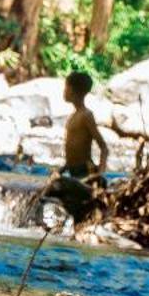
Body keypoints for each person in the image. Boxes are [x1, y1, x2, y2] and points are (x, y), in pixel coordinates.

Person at [49, 70, 109, 221]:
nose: (64, 91)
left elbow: (103, 147)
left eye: (66, 87)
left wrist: (100, 173)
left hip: (85, 172)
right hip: (73, 171)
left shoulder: (86, 115)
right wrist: (62, 170)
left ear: (74, 90)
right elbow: (72, 153)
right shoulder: (72, 117)